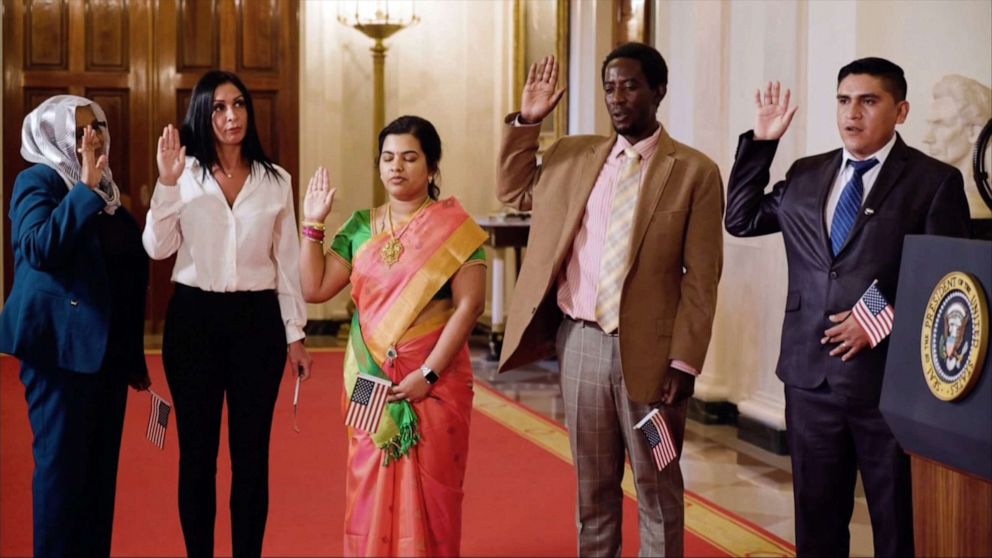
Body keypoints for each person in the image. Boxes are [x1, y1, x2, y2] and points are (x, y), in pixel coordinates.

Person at [724, 58, 971, 557]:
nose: (852, 113)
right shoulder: (807, 173)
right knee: (817, 524)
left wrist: (878, 314)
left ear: (900, 110)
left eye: (868, 101)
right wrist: (763, 144)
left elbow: (949, 281)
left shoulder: (934, 181)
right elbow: (742, 219)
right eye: (843, 100)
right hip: (809, 377)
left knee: (896, 526)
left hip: (887, 387)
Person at [496, 43, 724, 556]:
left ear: (658, 91)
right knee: (593, 488)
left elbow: (701, 278)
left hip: (652, 355)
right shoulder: (573, 156)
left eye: (630, 86)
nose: (617, 99)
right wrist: (528, 121)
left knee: (656, 486)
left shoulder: (694, 171)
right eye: (609, 88)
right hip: (581, 344)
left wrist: (684, 361)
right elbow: (511, 192)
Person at [299, 115, 487, 557]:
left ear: (432, 167)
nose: (396, 167)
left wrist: (429, 373)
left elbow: (469, 307)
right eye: (387, 158)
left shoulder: (455, 230)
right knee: (366, 481)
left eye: (409, 157)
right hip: (370, 380)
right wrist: (312, 225)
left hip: (435, 385)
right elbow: (314, 288)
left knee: (435, 492)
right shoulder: (361, 227)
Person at [142, 70, 312, 557]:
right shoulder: (184, 175)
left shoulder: (276, 180)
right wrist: (166, 184)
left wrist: (295, 334)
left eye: (238, 105)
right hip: (194, 322)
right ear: (202, 113)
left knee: (251, 458)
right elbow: (156, 248)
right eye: (218, 107)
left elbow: (286, 263)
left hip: (257, 325)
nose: (231, 116)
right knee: (197, 456)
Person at [0, 95, 150, 556]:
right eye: (82, 129)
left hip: (105, 359)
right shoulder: (38, 181)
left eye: (99, 126)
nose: (95, 137)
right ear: (56, 134)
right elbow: (40, 248)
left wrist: (131, 354)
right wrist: (82, 188)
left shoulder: (108, 193)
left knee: (98, 485)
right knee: (62, 484)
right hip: (58, 357)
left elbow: (123, 275)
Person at [921, 74, 992, 218]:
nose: (927, 138)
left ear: (973, 131)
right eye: (930, 125)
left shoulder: (978, 201)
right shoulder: (925, 193)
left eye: (940, 125)